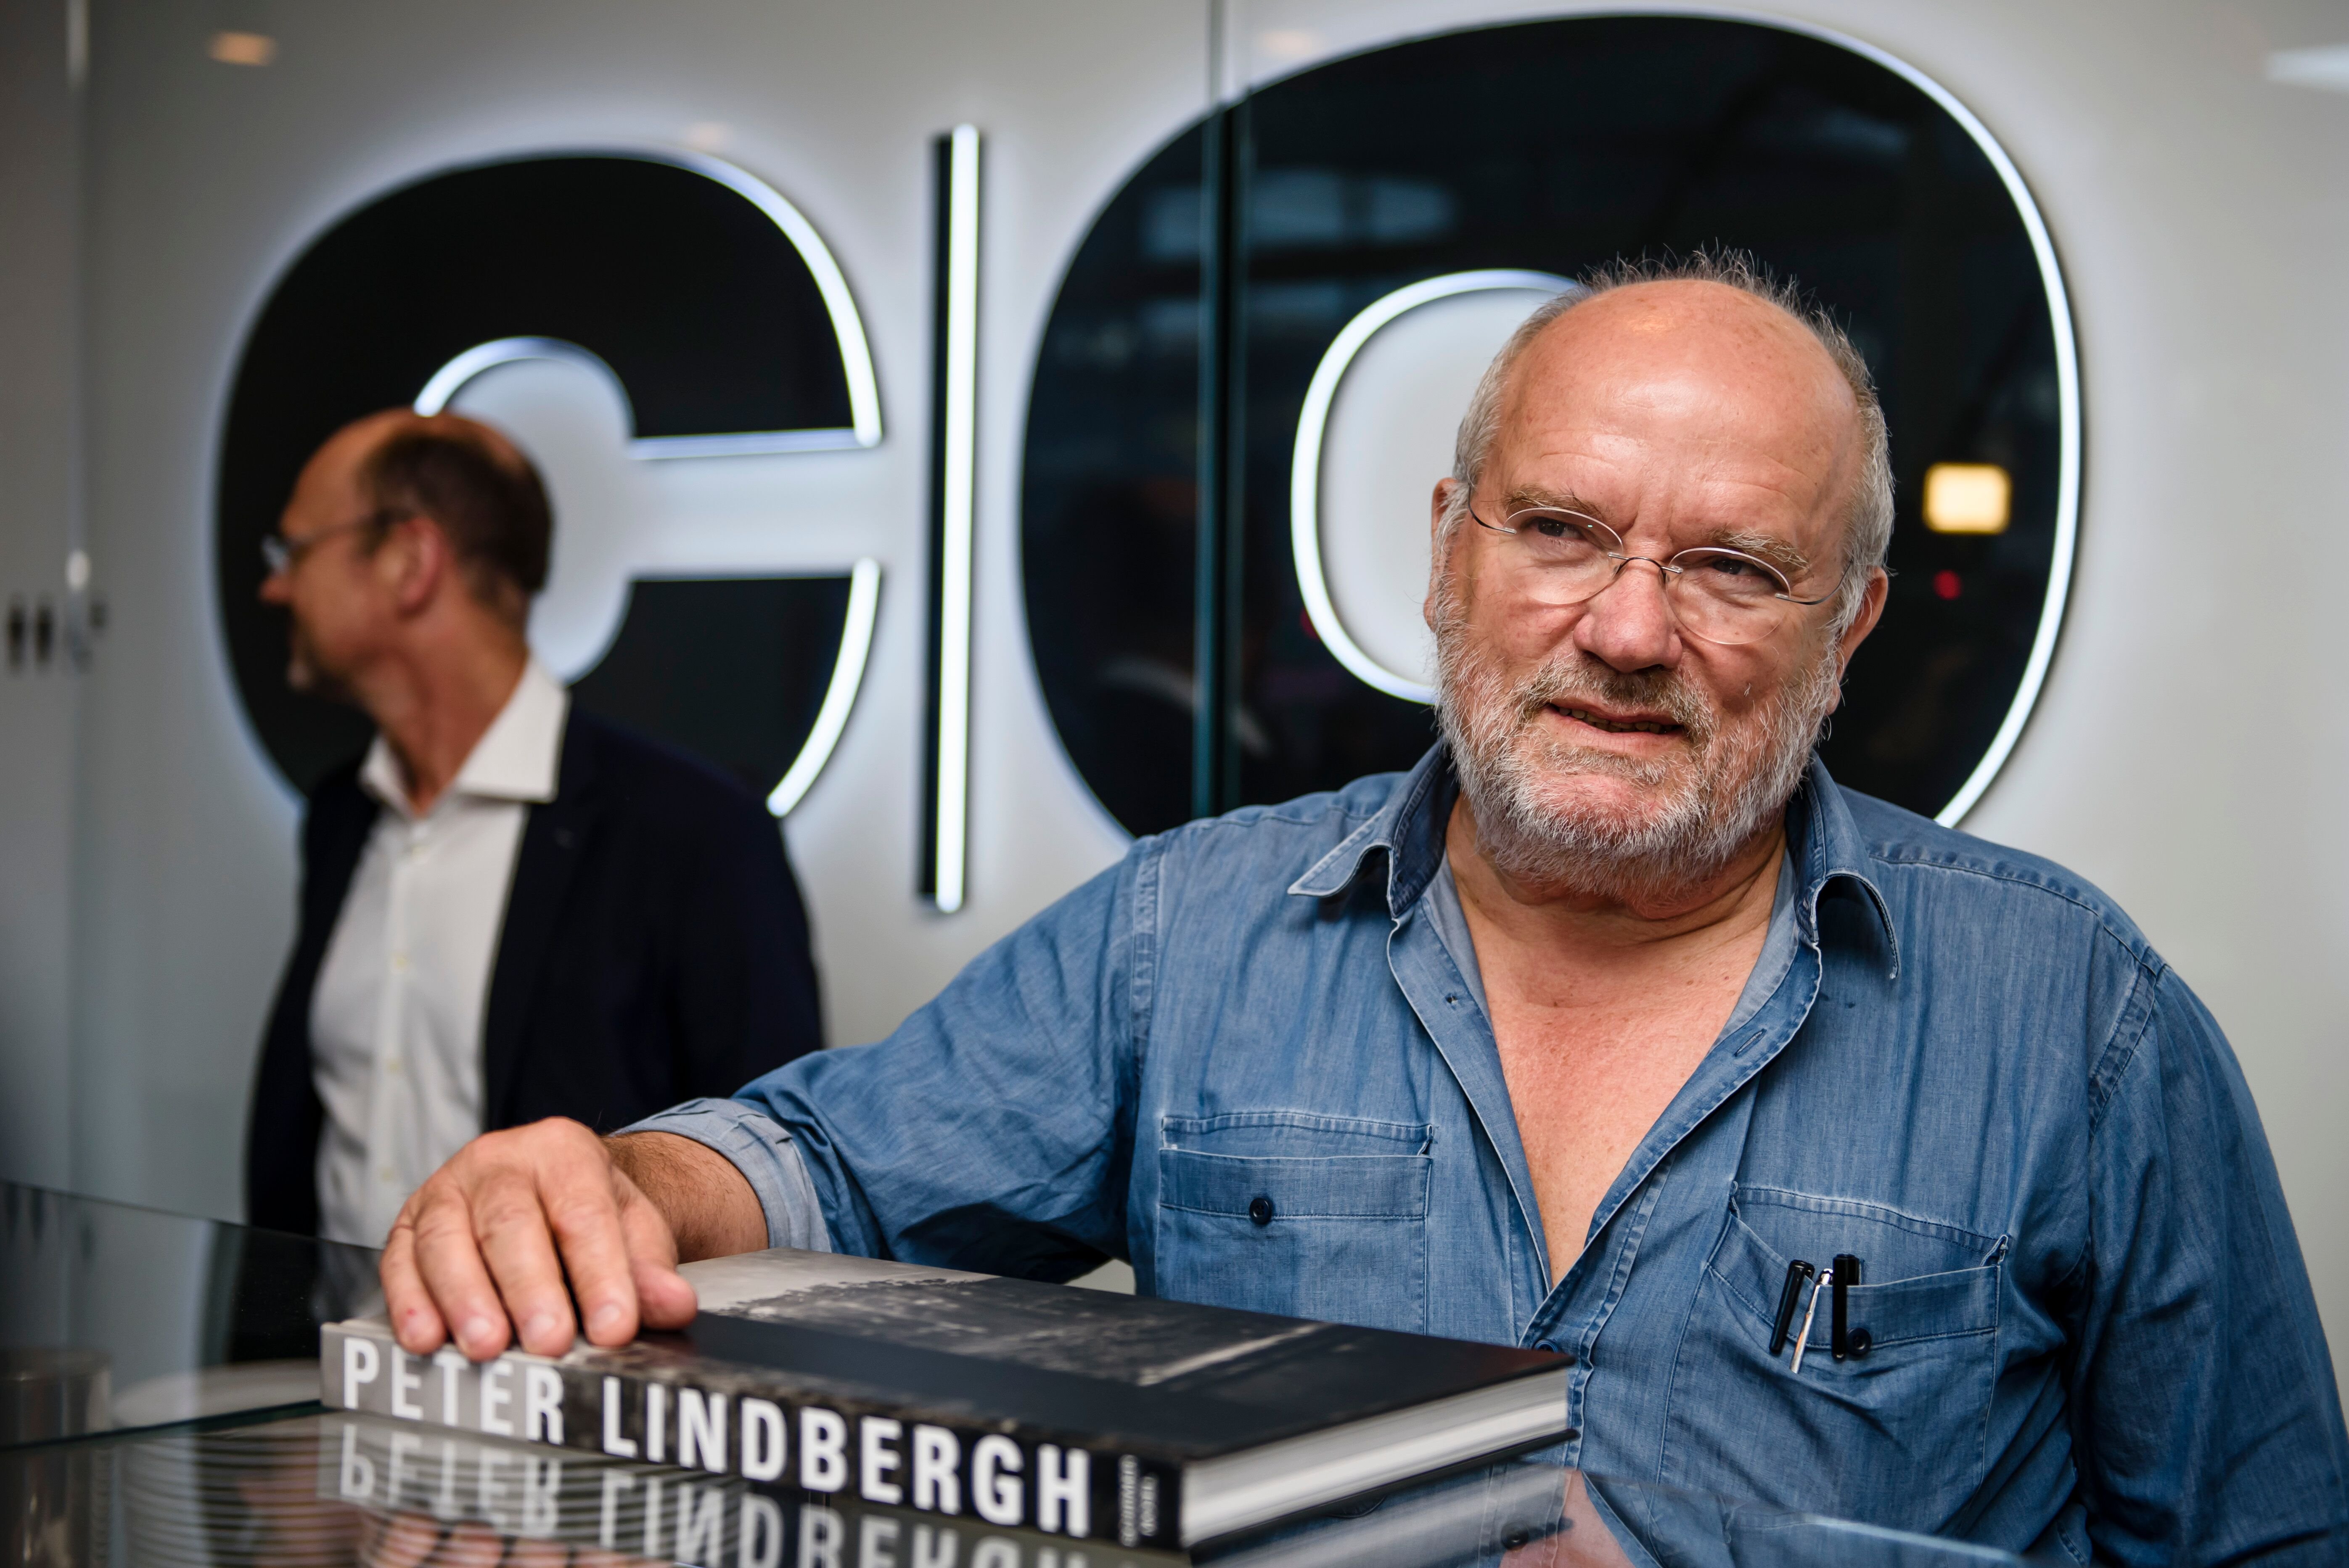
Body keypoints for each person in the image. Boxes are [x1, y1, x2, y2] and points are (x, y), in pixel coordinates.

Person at [374, 260, 2349, 1562]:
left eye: (1732, 566)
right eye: (1562, 529)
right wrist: (618, 1180)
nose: (1629, 629)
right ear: (1447, 549)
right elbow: (826, 1163)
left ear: (1843, 625)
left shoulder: (2076, 1019)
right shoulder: (1193, 937)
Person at [244, 410, 824, 1245]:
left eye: (294, 552)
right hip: (327, 1370)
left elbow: (773, 1171)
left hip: (574, 1373)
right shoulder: (341, 817)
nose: (276, 586)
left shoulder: (694, 830)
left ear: (410, 561)